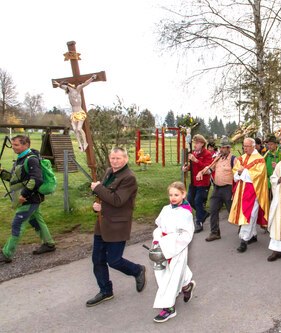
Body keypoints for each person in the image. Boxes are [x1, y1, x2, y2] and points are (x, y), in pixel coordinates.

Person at [86, 147, 146, 307]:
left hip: (117, 225)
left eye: (118, 158)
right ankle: (106, 290)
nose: (114, 161)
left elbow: (118, 200)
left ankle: (137, 270)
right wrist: (96, 205)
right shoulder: (109, 172)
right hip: (102, 223)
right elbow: (104, 196)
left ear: (125, 159)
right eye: (112, 158)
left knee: (114, 260)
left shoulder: (129, 178)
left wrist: (98, 188)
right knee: (97, 260)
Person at [0, 135, 56, 264]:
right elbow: (15, 178)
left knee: (17, 224)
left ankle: (6, 253)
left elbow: (37, 180)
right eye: (13, 145)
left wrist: (24, 195)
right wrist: (2, 172)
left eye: (16, 145)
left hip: (28, 199)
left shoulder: (31, 160)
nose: (13, 147)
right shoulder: (20, 159)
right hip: (29, 198)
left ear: (26, 145)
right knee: (36, 220)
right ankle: (49, 244)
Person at [151, 181, 196, 323]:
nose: (173, 198)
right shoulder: (165, 209)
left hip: (176, 248)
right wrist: (157, 239)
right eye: (171, 195)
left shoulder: (185, 213)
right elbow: (159, 226)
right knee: (162, 273)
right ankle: (186, 285)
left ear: (183, 194)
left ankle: (169, 308)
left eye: (176, 195)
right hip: (162, 245)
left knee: (171, 276)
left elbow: (187, 235)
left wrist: (171, 244)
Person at [228, 138, 269, 253]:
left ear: (253, 146)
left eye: (247, 146)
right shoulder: (242, 158)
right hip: (241, 190)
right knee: (248, 213)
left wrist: (242, 172)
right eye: (244, 146)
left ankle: (244, 239)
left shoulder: (260, 160)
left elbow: (258, 175)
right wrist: (238, 172)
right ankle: (253, 234)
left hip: (253, 190)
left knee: (249, 214)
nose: (245, 148)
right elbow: (235, 170)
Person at [198, 137, 235, 242]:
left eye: (223, 147)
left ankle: (244, 230)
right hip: (217, 188)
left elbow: (238, 174)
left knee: (233, 211)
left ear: (228, 148)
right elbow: (210, 169)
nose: (221, 149)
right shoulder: (218, 158)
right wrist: (202, 172)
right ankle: (215, 232)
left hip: (228, 189)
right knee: (213, 209)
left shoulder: (233, 159)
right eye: (220, 147)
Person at [53, 74, 96, 152]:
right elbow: (61, 86)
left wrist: (92, 78)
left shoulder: (78, 89)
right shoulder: (68, 90)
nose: (66, 88)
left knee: (79, 128)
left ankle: (85, 143)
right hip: (74, 113)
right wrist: (57, 84)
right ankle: (80, 144)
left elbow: (85, 83)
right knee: (75, 129)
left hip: (80, 112)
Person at [182, 134, 213, 233]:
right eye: (194, 142)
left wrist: (196, 160)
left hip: (203, 182)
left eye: (197, 142)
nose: (195, 144)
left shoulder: (207, 154)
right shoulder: (194, 153)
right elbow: (192, 166)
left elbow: (207, 167)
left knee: (198, 201)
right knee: (190, 200)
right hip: (194, 181)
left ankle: (199, 222)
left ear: (202, 143)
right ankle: (203, 213)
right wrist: (187, 168)